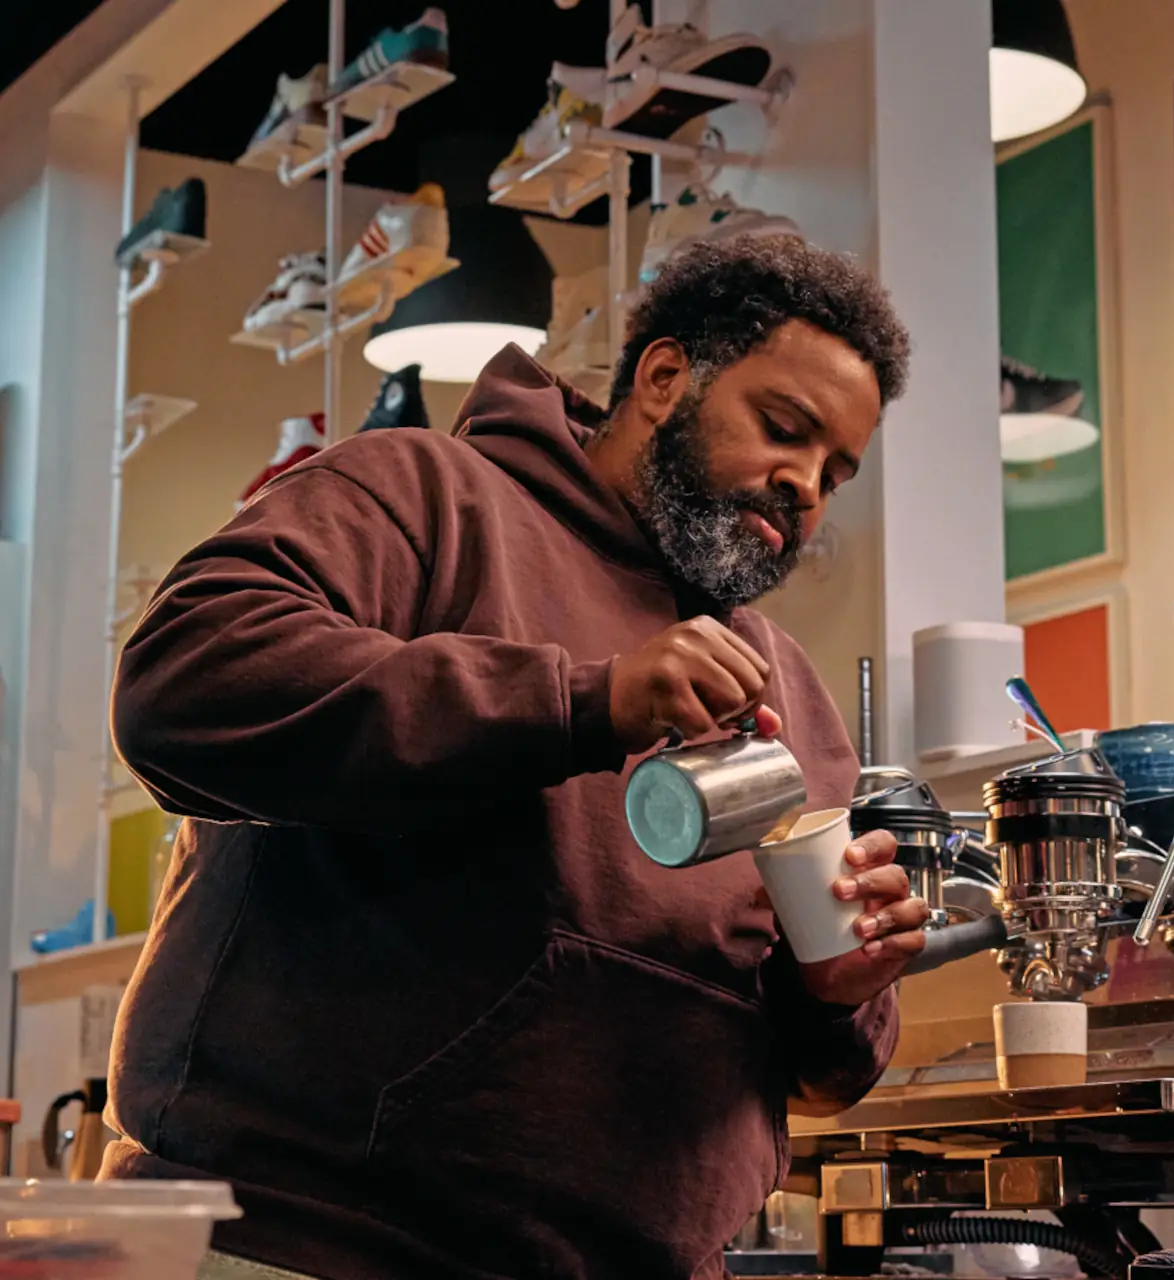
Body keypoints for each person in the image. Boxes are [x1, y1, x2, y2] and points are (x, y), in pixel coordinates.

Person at [105, 236, 921, 1280]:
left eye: (835, 473)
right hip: (298, 1246)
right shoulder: (426, 495)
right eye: (784, 428)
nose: (803, 485)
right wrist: (584, 700)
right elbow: (182, 680)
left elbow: (815, 1079)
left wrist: (837, 991)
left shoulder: (787, 692)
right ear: (665, 377)